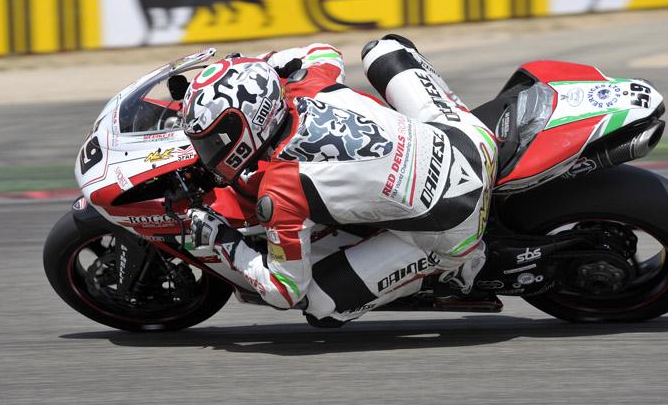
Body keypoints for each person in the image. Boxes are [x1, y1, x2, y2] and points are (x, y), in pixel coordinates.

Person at [181, 35, 497, 325]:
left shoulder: (281, 188)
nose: (208, 151)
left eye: (214, 141)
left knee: (320, 304)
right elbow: (324, 51)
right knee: (383, 49)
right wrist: (257, 65)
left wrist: (222, 239)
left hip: (456, 226)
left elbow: (283, 290)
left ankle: (457, 269)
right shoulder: (309, 83)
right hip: (471, 140)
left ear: (247, 127)